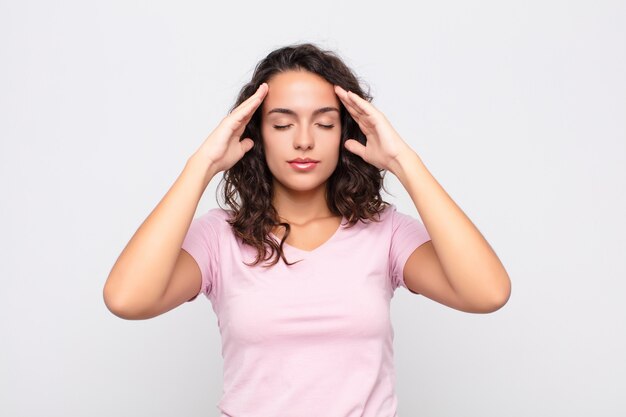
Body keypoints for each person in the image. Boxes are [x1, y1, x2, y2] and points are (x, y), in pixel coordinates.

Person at [103, 43, 511, 417]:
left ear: (346, 133)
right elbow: (126, 299)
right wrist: (201, 166)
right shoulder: (218, 238)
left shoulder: (385, 233)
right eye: (282, 125)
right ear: (258, 135)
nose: (303, 141)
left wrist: (403, 161)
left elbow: (488, 293)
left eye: (324, 124)